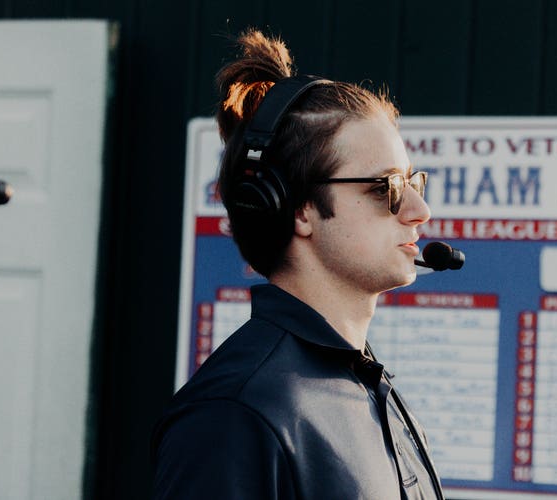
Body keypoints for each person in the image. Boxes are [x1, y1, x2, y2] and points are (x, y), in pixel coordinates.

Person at [151, 28, 444, 499]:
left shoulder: (368, 386)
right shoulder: (235, 415)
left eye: (413, 182)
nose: (418, 209)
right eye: (385, 186)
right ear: (299, 209)